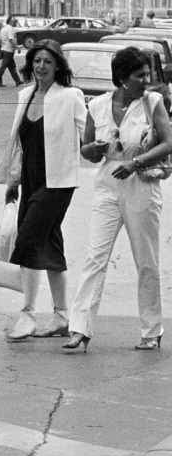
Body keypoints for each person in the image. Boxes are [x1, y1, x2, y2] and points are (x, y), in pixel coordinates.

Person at [66, 45, 169, 352]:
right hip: (108, 184)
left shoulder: (153, 102)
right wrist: (93, 150)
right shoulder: (96, 106)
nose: (147, 80)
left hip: (141, 184)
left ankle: (152, 330)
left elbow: (169, 143)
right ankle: (79, 328)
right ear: (122, 78)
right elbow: (84, 148)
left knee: (146, 261)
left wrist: (136, 162)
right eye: (140, 75)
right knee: (95, 258)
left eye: (148, 73)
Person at [0, 40, 85, 343]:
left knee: (28, 239)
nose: (41, 67)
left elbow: (87, 136)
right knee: (50, 244)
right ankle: (61, 315)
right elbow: (19, 145)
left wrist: (101, 148)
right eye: (37, 61)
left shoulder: (71, 96)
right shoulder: (25, 94)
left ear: (58, 65)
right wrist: (12, 181)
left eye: (48, 61)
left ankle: (28, 314)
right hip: (30, 180)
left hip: (58, 182)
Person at [0, 20, 21, 87]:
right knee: (3, 66)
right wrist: (17, 48)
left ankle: (17, 81)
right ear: (10, 22)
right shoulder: (10, 29)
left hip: (4, 49)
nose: (15, 22)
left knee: (11, 67)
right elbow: (11, 39)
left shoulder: (3, 29)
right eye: (14, 21)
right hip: (8, 51)